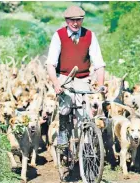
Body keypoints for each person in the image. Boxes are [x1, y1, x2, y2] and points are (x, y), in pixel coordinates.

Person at [47, 5, 106, 147]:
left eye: (78, 20)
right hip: (64, 77)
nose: (75, 23)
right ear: (66, 20)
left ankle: (86, 147)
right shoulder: (58, 36)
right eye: (72, 20)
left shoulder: (90, 35)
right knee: (65, 108)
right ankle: (62, 132)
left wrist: (101, 84)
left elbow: (99, 63)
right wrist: (56, 83)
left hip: (83, 78)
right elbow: (50, 63)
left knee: (84, 113)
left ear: (82, 20)